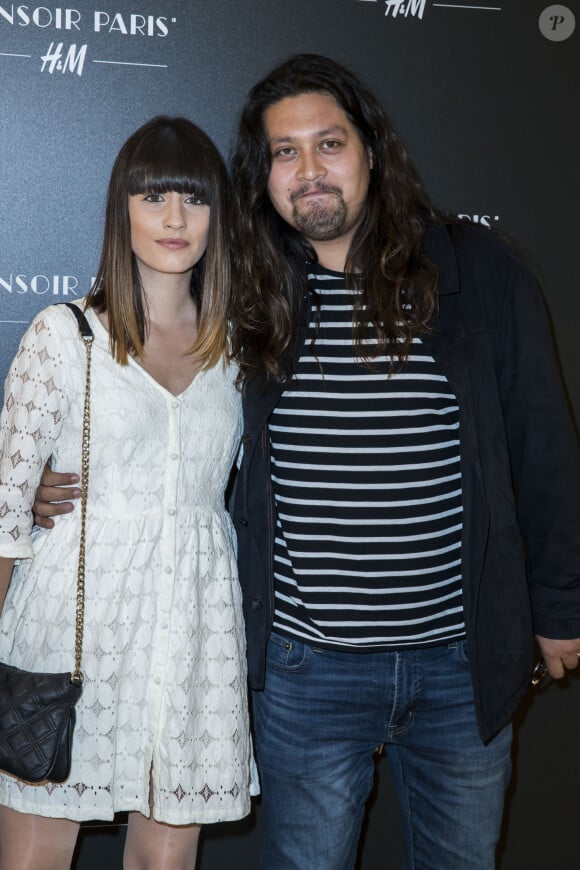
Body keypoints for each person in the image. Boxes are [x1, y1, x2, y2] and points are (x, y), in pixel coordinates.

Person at [33, 55, 580, 869]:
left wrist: (561, 607)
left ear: (372, 152)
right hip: (304, 669)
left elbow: (544, 445)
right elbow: (170, 421)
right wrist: (59, 485)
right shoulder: (246, 293)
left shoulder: (475, 273)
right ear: (264, 176)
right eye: (285, 153)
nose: (309, 170)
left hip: (460, 665)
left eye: (329, 144)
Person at [0, 116, 256, 870]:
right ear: (123, 210)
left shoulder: (241, 347)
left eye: (194, 199)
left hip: (193, 631)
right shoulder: (63, 335)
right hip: (71, 628)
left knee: (164, 861)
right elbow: (7, 512)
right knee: (36, 857)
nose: (175, 219)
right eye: (153, 198)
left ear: (219, 215)